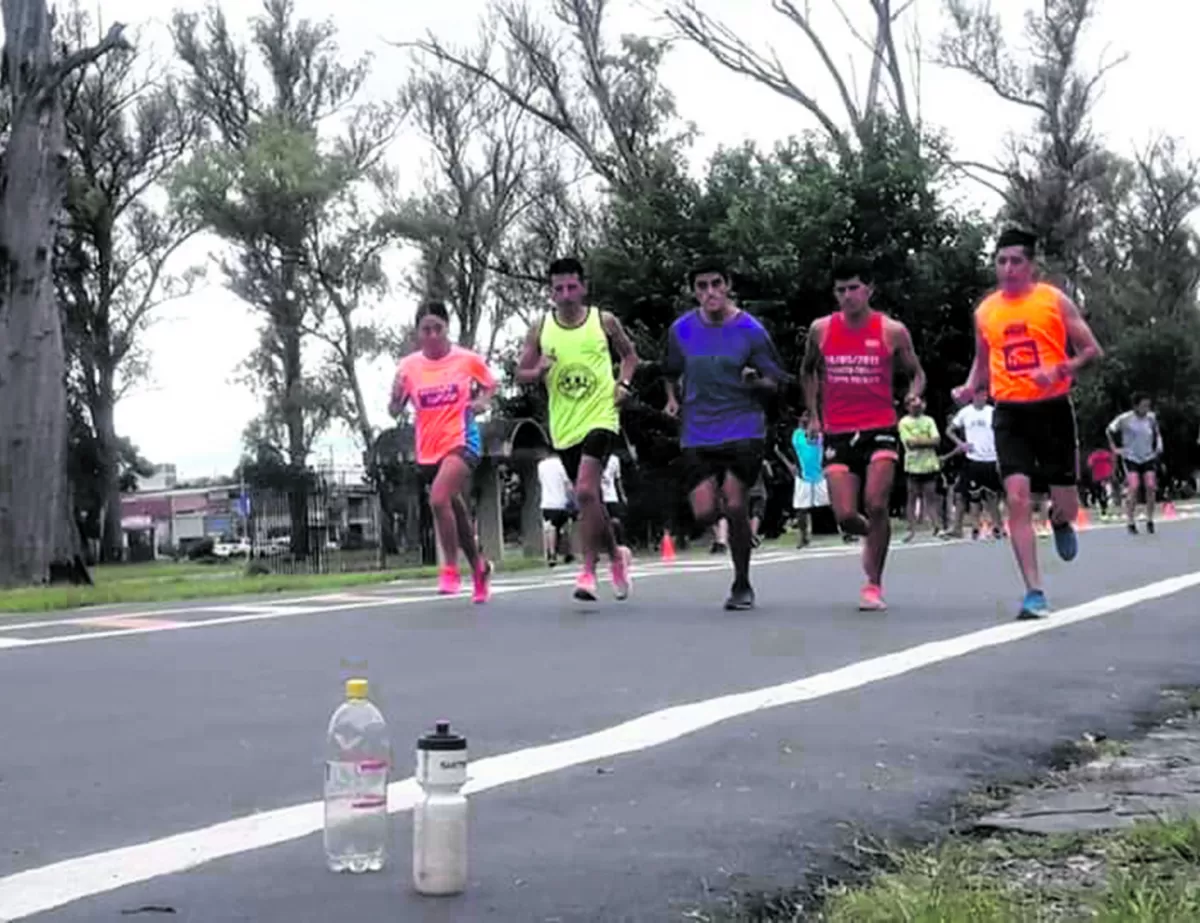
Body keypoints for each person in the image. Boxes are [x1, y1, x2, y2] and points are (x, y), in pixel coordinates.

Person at [953, 227, 1103, 619]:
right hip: (1010, 413)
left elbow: (1092, 350)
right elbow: (982, 362)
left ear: (1031, 265)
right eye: (1001, 261)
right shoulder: (986, 311)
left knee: (1067, 504)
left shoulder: (1053, 301)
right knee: (1016, 498)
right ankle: (1034, 592)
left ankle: (1060, 520)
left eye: (1015, 261)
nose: (1007, 269)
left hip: (1053, 410)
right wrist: (970, 388)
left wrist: (1061, 368)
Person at [801, 256, 926, 611]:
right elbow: (808, 371)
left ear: (869, 289)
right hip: (838, 430)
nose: (848, 296)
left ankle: (873, 583)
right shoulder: (821, 329)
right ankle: (876, 536)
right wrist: (813, 415)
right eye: (840, 290)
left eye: (854, 288)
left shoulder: (891, 331)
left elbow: (916, 372)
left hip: (880, 427)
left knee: (875, 502)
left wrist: (914, 392)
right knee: (844, 515)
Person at [664, 260, 787, 610]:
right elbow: (670, 371)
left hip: (743, 425)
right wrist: (672, 400)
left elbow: (775, 381)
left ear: (729, 285)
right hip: (699, 430)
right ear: (694, 292)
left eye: (716, 284)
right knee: (704, 512)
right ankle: (738, 530)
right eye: (702, 286)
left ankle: (742, 583)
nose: (710, 292)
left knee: (735, 503)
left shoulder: (751, 330)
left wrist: (755, 381)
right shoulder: (681, 330)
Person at [516, 257, 638, 602]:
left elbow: (630, 357)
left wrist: (624, 384)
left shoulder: (604, 321)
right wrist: (537, 370)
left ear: (583, 287)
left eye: (572, 287)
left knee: (585, 490)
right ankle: (616, 555)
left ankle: (588, 571)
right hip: (565, 424)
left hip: (602, 414)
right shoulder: (541, 328)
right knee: (590, 497)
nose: (566, 295)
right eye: (559, 289)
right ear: (550, 292)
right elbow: (520, 373)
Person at [389, 301, 496, 603]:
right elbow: (394, 409)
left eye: (439, 328)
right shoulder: (408, 367)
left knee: (438, 498)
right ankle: (479, 567)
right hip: (429, 448)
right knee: (455, 508)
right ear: (417, 334)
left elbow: (490, 385)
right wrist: (396, 397)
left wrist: (482, 402)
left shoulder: (466, 359)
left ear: (447, 329)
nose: (433, 335)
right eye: (426, 330)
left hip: (463, 440)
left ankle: (450, 568)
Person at [947, 384, 1003, 540]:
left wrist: (999, 454)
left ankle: (998, 527)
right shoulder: (965, 412)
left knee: (992, 496)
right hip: (973, 458)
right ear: (973, 396)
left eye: (985, 395)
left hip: (990, 458)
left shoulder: (992, 412)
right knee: (974, 495)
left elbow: (1000, 432)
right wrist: (961, 444)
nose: (982, 398)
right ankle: (975, 527)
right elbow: (949, 430)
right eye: (979, 395)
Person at [1107, 393, 1164, 534]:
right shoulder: (1125, 419)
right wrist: (1115, 448)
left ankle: (1150, 519)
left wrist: (1159, 444)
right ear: (1136, 406)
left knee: (1151, 486)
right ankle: (1130, 521)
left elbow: (1157, 432)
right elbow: (1109, 430)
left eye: (1148, 406)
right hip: (1131, 457)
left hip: (1148, 456)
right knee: (1134, 486)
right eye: (1143, 405)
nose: (1146, 408)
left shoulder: (1151, 418)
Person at [780, 410, 829, 548]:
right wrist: (791, 465)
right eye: (805, 415)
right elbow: (792, 451)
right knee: (801, 509)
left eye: (810, 416)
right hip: (803, 476)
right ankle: (803, 537)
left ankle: (846, 532)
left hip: (820, 474)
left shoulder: (820, 433)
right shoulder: (796, 435)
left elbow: (818, 442)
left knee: (832, 505)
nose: (807, 418)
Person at [898, 394, 943, 542]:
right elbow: (909, 443)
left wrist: (920, 441)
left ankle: (937, 526)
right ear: (907, 407)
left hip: (929, 464)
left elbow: (936, 440)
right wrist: (926, 441)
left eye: (918, 404)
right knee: (912, 497)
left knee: (930, 497)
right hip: (912, 465)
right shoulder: (904, 422)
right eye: (912, 405)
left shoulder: (929, 420)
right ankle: (911, 530)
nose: (916, 407)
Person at [537, 450, 574, 566]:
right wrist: (572, 499)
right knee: (565, 527)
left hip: (547, 503)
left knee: (550, 528)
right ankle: (567, 553)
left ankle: (551, 554)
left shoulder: (541, 465)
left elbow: (540, 481)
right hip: (561, 502)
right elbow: (568, 484)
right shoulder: (562, 465)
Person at [600, 451, 628, 549]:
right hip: (602, 496)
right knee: (609, 521)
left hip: (609, 496)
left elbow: (617, 479)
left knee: (614, 521)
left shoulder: (614, 460)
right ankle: (613, 544)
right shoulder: (594, 460)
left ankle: (619, 543)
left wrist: (622, 494)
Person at [1085, 444, 1115, 518]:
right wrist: (1112, 471)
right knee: (1106, 492)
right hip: (1106, 476)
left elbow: (1089, 465)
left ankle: (1104, 508)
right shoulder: (1107, 454)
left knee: (1100, 493)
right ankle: (1107, 508)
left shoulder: (1093, 455)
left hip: (1098, 477)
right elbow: (1113, 463)